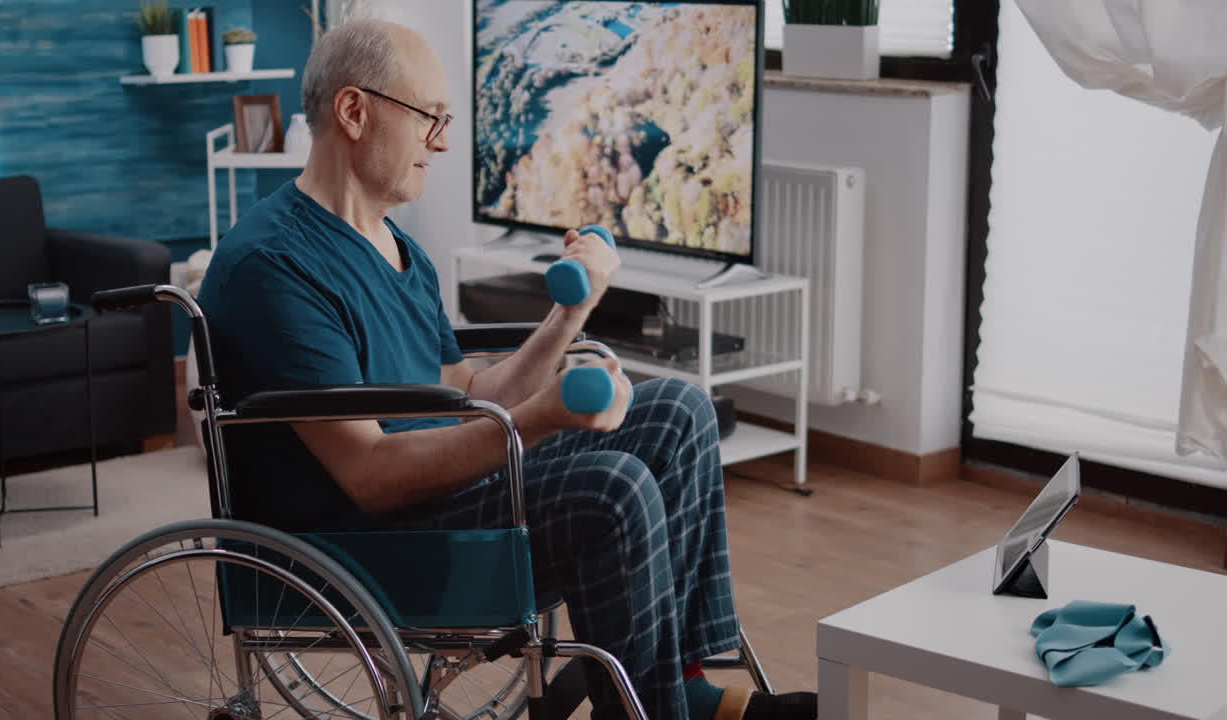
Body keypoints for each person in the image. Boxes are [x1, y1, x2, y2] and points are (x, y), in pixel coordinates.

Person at [198, 18, 816, 720]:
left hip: (434, 501)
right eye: (429, 116)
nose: (445, 141)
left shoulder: (396, 247)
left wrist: (568, 318)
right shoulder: (274, 267)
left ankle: (683, 687)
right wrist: (544, 415)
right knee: (608, 488)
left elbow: (466, 390)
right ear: (353, 110)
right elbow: (369, 476)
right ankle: (653, 709)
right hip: (356, 549)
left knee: (679, 409)